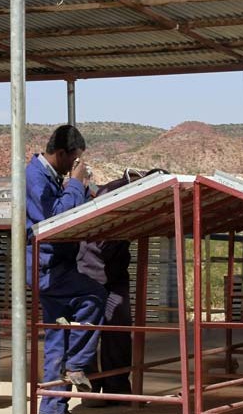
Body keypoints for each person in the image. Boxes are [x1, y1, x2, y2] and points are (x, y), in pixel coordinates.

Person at [26, 125, 107, 414]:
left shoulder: (49, 177)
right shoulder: (35, 177)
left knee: (57, 338)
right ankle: (76, 365)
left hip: (55, 266)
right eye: (72, 160)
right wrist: (74, 182)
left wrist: (82, 189)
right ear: (61, 153)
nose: (73, 167)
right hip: (48, 268)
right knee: (96, 296)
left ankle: (52, 408)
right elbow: (56, 218)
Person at [76, 168, 169, 406]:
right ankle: (91, 388)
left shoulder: (141, 198)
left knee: (118, 327)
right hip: (90, 269)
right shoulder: (112, 192)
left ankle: (117, 387)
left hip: (115, 272)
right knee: (87, 329)